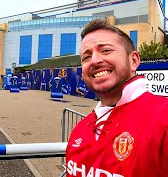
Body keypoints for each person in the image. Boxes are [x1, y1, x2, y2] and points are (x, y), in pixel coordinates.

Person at [66, 19, 168, 177]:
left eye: (106, 50)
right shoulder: (80, 130)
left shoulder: (163, 118)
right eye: (86, 57)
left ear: (133, 61)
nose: (94, 60)